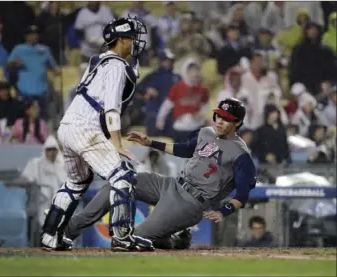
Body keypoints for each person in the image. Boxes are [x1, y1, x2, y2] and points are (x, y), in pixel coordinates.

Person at [58, 98, 257, 251]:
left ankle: (168, 238)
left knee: (127, 241)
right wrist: (150, 142)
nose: (220, 121)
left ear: (238, 122)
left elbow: (242, 195)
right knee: (122, 182)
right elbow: (184, 149)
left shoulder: (241, 155)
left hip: (190, 202)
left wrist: (223, 211)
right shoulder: (205, 132)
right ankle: (69, 229)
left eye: (227, 119)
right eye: (218, 116)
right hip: (171, 184)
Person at [40, 16, 153, 252]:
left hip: (67, 127)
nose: (135, 43)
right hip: (85, 129)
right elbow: (111, 107)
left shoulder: (98, 62)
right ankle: (123, 238)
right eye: (132, 38)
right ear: (121, 40)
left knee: (75, 182)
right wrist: (116, 141)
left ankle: (50, 236)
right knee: (123, 176)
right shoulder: (117, 66)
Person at [6, 25, 60, 119]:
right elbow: (7, 67)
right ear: (26, 36)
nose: (35, 36)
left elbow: (55, 68)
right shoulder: (18, 49)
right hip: (24, 93)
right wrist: (14, 63)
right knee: (25, 122)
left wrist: (57, 71)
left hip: (42, 93)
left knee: (42, 122)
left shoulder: (45, 49)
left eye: (36, 34)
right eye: (31, 34)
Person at [21, 135, 67, 226]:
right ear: (45, 150)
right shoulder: (36, 164)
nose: (52, 152)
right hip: (41, 203)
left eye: (54, 150)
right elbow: (27, 178)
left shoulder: (61, 166)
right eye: (49, 150)